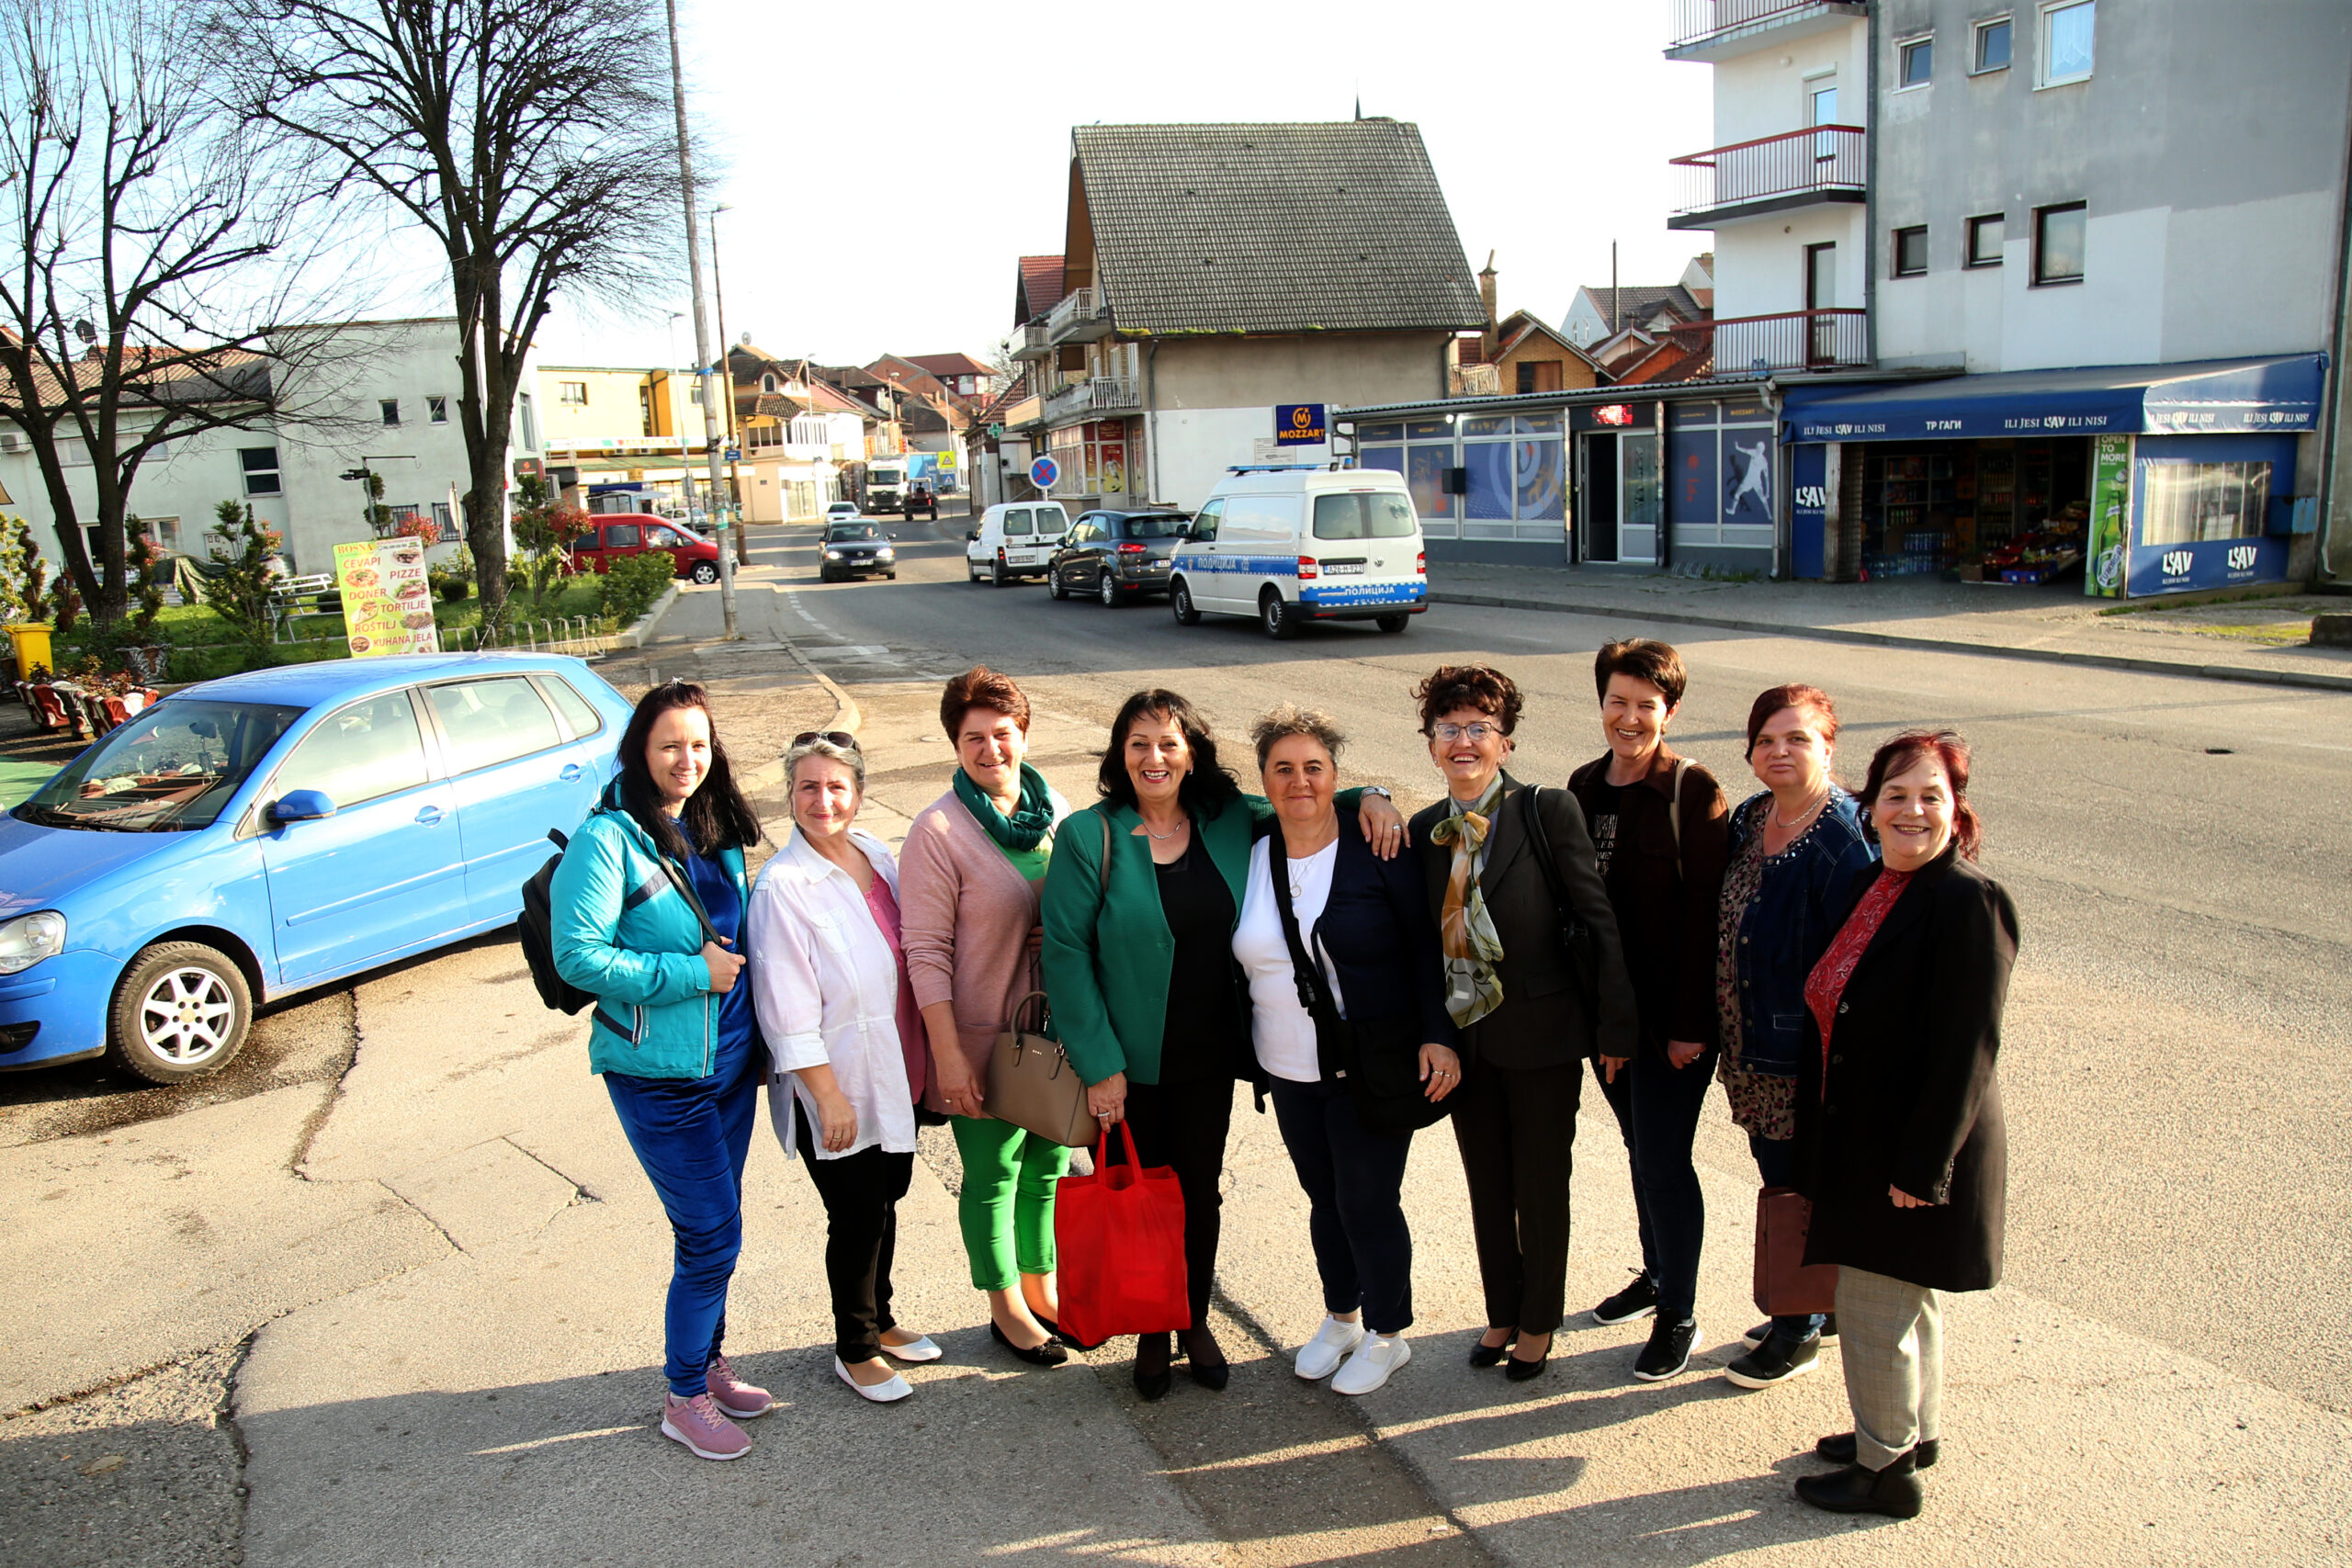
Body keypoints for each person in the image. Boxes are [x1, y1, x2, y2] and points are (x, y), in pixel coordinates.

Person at [1041, 689, 1405, 1400]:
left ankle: (1192, 1320)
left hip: (1210, 1054)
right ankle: (1151, 1330)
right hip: (1128, 1061)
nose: (1155, 757)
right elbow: (1064, 953)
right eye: (1140, 743)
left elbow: (1307, 791)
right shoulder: (1092, 834)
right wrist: (1100, 1064)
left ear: (1192, 753)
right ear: (1121, 753)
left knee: (1198, 1194)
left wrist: (1380, 793)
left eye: (1169, 743)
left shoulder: (1228, 819)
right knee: (1140, 1196)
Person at [1792, 732, 2018, 1520]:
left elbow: (1968, 1047)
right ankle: (1906, 1434)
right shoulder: (1879, 882)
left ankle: (1884, 1473)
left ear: (1957, 812)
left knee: (1872, 1307)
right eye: (1896, 794)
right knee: (1906, 1301)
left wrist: (1924, 1166)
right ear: (1871, 804)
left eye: (1932, 796)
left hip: (1914, 1146)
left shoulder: (1966, 899)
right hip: (1869, 1133)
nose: (1912, 810)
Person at [549, 681, 771, 1461]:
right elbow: (576, 955)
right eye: (671, 744)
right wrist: (690, 973)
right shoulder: (608, 838)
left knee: (723, 1226)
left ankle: (708, 1365)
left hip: (732, 1067)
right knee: (709, 1236)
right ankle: (682, 1397)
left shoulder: (714, 828)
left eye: (700, 744)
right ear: (641, 749)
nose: (688, 759)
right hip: (659, 1072)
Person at [1406, 665, 1637, 1382]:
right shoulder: (1424, 830)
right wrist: (1433, 1031)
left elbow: (1597, 919)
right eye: (1450, 728)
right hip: (1465, 1043)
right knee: (1487, 1182)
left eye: (1480, 728)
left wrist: (1615, 1028)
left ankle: (1539, 1321)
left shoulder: (1547, 809)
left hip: (1542, 1035)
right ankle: (1500, 1309)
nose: (1464, 741)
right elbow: (1421, 943)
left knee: (1540, 1185)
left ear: (1504, 743)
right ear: (1432, 742)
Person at [1232, 705, 1458, 1396]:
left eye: (1315, 768)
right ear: (1264, 780)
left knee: (1367, 1199)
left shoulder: (1377, 846)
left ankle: (1390, 1334)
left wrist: (1439, 1035)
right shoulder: (1253, 848)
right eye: (1284, 768)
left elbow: (1426, 945)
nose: (1300, 781)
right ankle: (1342, 1316)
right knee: (1323, 1198)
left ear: (1336, 776)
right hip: (1288, 1063)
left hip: (1376, 1060)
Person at [748, 731, 940, 1405]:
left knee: (886, 1199)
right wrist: (826, 1096)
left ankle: (881, 1318)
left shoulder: (876, 855)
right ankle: (854, 1347)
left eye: (836, 786)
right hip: (835, 1082)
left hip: (893, 1069)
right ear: (790, 797)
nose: (823, 799)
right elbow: (785, 1009)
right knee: (855, 1214)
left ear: (857, 792)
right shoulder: (784, 887)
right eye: (808, 786)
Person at [898, 668, 1074, 1369]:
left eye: (1003, 733)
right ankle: (1005, 1307)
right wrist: (947, 1054)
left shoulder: (1054, 808)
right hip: (981, 1037)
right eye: (974, 737)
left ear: (1023, 734)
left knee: (1049, 1166)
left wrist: (1056, 923)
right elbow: (926, 952)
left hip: (1058, 1033)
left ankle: (1044, 1286)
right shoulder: (938, 830)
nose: (991, 748)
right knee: (994, 1173)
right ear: (956, 743)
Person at [1566, 640, 1730, 1382]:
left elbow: (1707, 919)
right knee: (1639, 1151)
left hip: (1674, 1023)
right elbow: (1578, 910)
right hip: (1612, 1019)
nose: (1630, 718)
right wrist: (1599, 1021)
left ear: (1670, 711)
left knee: (1663, 1160)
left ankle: (1680, 1313)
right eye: (1618, 701)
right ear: (1601, 702)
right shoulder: (1581, 785)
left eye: (1647, 705)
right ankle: (1657, 1273)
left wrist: (1694, 1025)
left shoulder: (1692, 791)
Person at [1715, 684, 1880, 1391]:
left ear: (1829, 748)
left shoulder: (1844, 833)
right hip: (1749, 1045)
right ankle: (1818, 1302)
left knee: (1793, 1185)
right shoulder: (1752, 817)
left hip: (1800, 1053)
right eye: (1766, 740)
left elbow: (1857, 955)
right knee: (1782, 1174)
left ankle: (1797, 1328)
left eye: (1798, 738)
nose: (1779, 751)